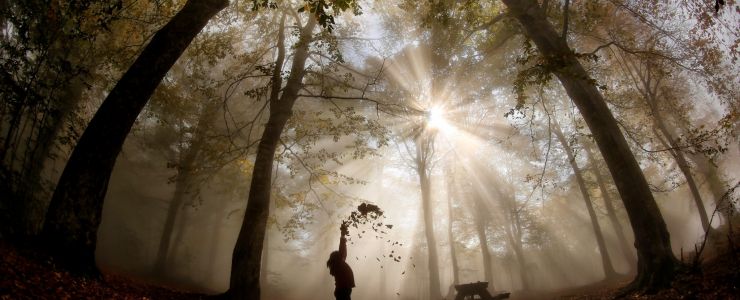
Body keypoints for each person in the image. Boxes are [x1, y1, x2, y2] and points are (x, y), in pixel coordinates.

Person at [327, 222, 355, 300]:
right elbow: (342, 251)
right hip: (343, 290)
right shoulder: (338, 264)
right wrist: (342, 236)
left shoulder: (338, 265)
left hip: (341, 290)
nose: (341, 255)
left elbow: (343, 253)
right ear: (337, 258)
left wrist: (343, 237)